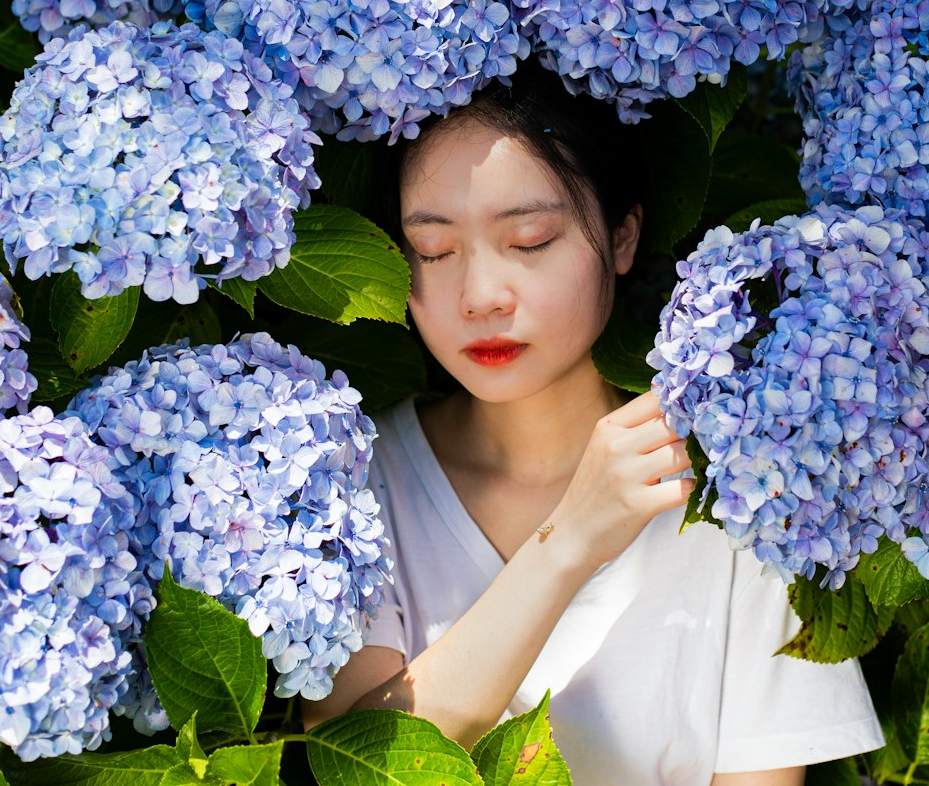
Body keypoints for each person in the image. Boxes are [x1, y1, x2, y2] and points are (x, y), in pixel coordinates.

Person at [302, 68, 883, 785]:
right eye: (433, 251)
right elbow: (348, 763)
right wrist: (567, 543)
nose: (481, 296)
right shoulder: (350, 472)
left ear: (622, 236)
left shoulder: (743, 488)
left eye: (531, 240)